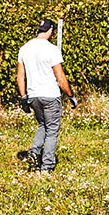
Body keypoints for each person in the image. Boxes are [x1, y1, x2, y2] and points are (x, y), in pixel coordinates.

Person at [15, 18, 76, 173]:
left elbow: (20, 76)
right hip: (50, 95)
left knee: (43, 125)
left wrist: (23, 97)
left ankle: (34, 152)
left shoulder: (25, 48)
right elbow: (60, 77)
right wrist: (70, 95)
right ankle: (47, 166)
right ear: (51, 31)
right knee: (52, 131)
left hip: (34, 95)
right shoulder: (52, 49)